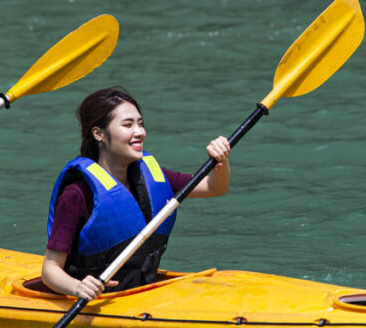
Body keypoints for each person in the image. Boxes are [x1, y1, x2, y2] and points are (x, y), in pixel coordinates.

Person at [42, 87, 231, 300]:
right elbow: (50, 270)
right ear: (99, 134)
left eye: (140, 123)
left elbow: (215, 187)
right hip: (96, 302)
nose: (139, 132)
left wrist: (220, 161)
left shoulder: (149, 175)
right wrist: (77, 287)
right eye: (127, 125)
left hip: (140, 294)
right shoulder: (77, 193)